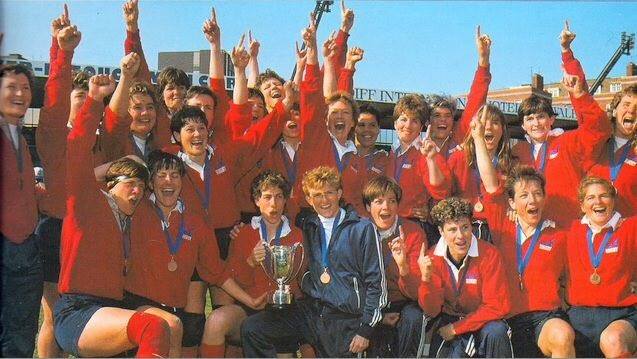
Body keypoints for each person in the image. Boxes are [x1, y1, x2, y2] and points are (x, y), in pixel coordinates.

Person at [54, 74, 170, 358]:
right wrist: (94, 99)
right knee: (152, 327)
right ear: (110, 183)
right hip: (78, 311)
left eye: (142, 188)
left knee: (167, 326)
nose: (137, 193)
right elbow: (78, 149)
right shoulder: (88, 202)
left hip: (112, 307)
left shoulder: (127, 219)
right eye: (131, 185)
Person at [124, 150, 266, 357]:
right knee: (169, 326)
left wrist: (249, 300)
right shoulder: (136, 209)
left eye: (174, 175)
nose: (168, 181)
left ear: (182, 182)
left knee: (176, 327)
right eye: (161, 175)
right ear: (150, 183)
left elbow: (216, 271)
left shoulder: (196, 222)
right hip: (137, 302)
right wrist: (135, 164)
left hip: (175, 309)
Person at [241, 166, 387, 357]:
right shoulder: (307, 225)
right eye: (317, 195)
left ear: (339, 194)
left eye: (329, 193)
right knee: (254, 328)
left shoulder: (363, 229)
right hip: (311, 313)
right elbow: (275, 219)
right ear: (309, 199)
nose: (324, 200)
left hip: (346, 321)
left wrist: (365, 330)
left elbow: (377, 283)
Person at [475, 111, 575, 356]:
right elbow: (489, 183)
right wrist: (478, 138)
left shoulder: (558, 235)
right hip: (507, 320)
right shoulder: (502, 225)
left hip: (545, 319)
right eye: (523, 195)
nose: (532, 200)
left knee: (563, 335)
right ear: (511, 202)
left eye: (537, 193)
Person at [511, 21, 611, 229]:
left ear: (551, 120)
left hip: (567, 227)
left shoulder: (567, 141)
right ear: (523, 125)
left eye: (540, 117)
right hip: (532, 231)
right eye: (530, 119)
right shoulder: (517, 152)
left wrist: (567, 56)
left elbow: (598, 128)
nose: (536, 123)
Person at [201, 170, 303, 357]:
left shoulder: (297, 235)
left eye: (279, 197)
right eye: (267, 197)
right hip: (250, 308)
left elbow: (300, 281)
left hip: (283, 310)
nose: (274, 204)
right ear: (256, 201)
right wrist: (250, 262)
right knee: (216, 321)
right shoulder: (243, 234)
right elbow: (235, 279)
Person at [34, 7, 81, 356]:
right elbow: (53, 100)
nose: (79, 103)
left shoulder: (97, 141)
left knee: (80, 315)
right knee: (52, 316)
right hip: (55, 230)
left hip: (86, 232)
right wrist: (62, 51)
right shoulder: (53, 137)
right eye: (75, 97)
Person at [418, 197, 512, 358]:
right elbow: (432, 310)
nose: (460, 236)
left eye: (465, 227)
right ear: (441, 231)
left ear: (472, 227)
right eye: (452, 229)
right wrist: (426, 279)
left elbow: (496, 306)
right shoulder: (433, 257)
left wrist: (457, 328)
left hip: (485, 321)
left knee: (496, 332)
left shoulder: (489, 254)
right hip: (449, 320)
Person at [564, 176, 637, 358]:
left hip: (620, 315)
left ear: (613, 201)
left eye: (604, 196)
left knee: (613, 340)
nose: (598, 201)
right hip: (578, 318)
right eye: (590, 197)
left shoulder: (630, 227)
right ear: (582, 206)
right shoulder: (571, 231)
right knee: (561, 338)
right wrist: (515, 214)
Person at [0, 62, 42, 357]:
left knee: (22, 335)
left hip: (25, 249)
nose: (20, 94)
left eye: (25, 88)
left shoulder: (21, 139)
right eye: (11, 87)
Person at [362, 175, 427, 357]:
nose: (386, 207)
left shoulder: (413, 232)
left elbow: (416, 293)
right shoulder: (358, 232)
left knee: (414, 316)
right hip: (371, 304)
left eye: (391, 201)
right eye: (379, 201)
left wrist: (403, 265)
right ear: (368, 207)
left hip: (403, 302)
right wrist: (379, 317)